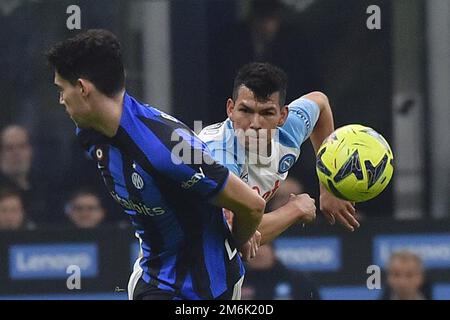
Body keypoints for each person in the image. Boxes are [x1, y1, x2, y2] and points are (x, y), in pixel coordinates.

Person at [46, 29, 266, 300]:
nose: (60, 99)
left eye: (61, 89)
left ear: (82, 88)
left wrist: (240, 238)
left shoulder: (169, 147)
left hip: (204, 289)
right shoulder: (90, 133)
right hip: (153, 277)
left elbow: (252, 205)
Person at [199, 62, 360, 245]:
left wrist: (329, 184)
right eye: (246, 110)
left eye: (267, 113)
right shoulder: (219, 155)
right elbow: (235, 235)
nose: (255, 124)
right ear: (230, 109)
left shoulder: (288, 131)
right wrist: (295, 209)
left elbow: (320, 101)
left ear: (282, 116)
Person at [0, 125, 50, 223]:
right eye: (10, 148)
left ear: (30, 151)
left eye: (22, 146)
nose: (16, 153)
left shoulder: (45, 185)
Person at [242, 243, 320, 300]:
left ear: (273, 252)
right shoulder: (238, 280)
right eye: (253, 250)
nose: (258, 253)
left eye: (262, 246)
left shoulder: (298, 280)